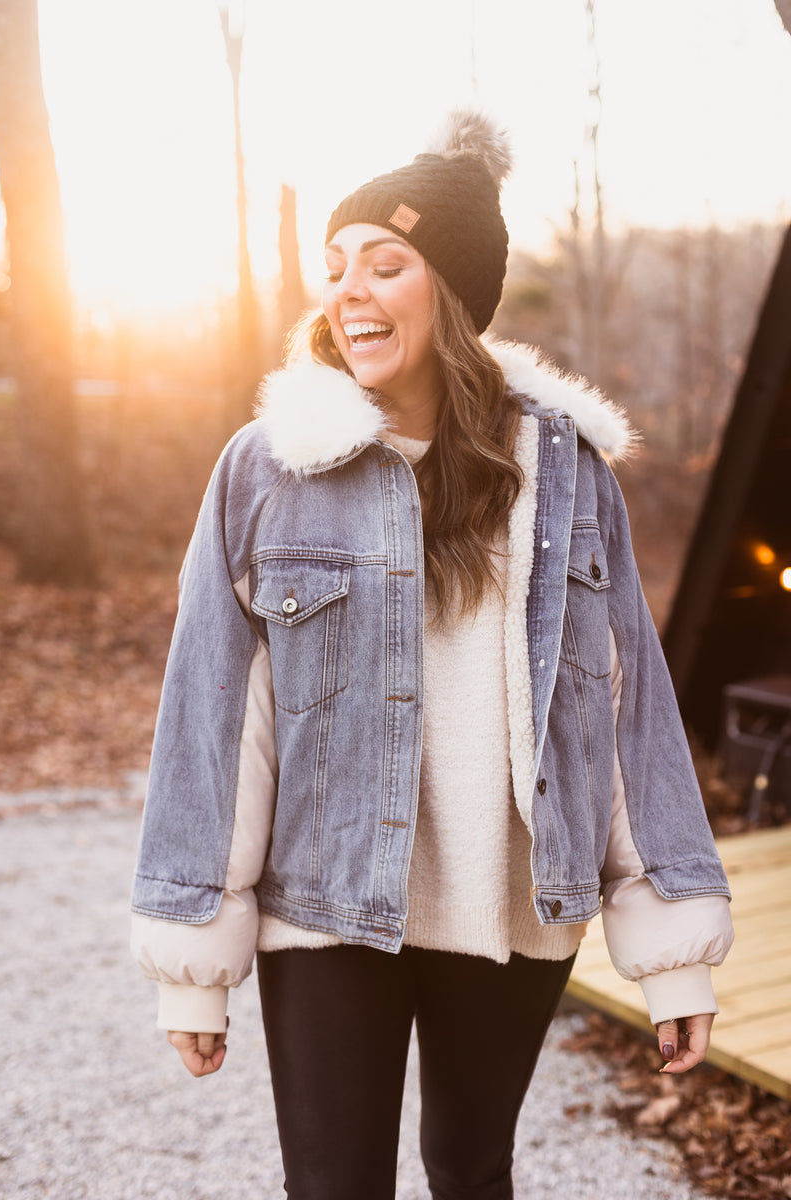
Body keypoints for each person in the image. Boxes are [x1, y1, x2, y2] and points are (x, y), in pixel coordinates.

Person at [131, 111, 734, 1199]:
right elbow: (220, 716)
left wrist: (672, 946)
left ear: (450, 291)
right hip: (322, 903)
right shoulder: (269, 469)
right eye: (334, 269)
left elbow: (620, 703)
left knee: (469, 1169)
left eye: (384, 263)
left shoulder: (564, 474)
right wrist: (191, 961)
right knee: (332, 1186)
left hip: (505, 897)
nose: (347, 292)